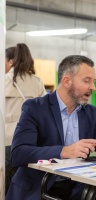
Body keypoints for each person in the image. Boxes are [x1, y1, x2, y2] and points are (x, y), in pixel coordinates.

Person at [7, 55, 96, 200]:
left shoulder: (90, 112)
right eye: (87, 81)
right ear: (67, 81)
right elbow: (18, 153)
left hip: (77, 183)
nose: (93, 87)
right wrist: (64, 151)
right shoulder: (35, 108)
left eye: (93, 82)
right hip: (41, 185)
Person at [5, 43, 47, 194]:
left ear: (11, 61)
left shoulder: (3, 81)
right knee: (25, 183)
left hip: (7, 141)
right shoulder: (37, 82)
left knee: (6, 184)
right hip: (30, 143)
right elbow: (45, 112)